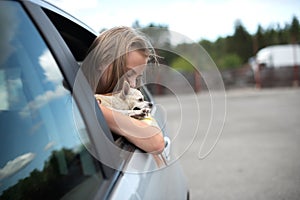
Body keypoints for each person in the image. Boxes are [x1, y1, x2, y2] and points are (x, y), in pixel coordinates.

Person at [81, 26, 165, 154]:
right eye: (129, 74)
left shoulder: (130, 100)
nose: (132, 84)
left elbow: (156, 142)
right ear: (104, 62)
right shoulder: (72, 94)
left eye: (137, 78)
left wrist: (94, 109)